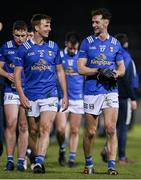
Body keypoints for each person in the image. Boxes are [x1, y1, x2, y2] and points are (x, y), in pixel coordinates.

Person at [14, 14, 68, 174]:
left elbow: (59, 71)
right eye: (46, 25)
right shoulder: (24, 49)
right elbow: (17, 74)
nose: (49, 28)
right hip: (30, 96)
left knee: (45, 128)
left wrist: (65, 94)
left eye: (50, 25)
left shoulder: (53, 46)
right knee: (33, 131)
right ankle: (33, 155)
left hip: (50, 94)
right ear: (37, 28)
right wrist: (22, 96)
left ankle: (39, 162)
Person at [78, 8, 125, 175]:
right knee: (90, 132)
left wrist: (116, 74)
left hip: (110, 90)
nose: (94, 25)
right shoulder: (87, 42)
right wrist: (98, 70)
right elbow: (81, 68)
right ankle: (89, 163)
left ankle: (111, 165)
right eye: (92, 22)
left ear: (106, 22)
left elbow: (122, 67)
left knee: (111, 129)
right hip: (91, 90)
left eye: (96, 22)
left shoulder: (115, 44)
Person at [0, 20, 28, 171]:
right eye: (17, 35)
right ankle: (10, 159)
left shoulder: (30, 47)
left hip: (26, 91)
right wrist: (7, 74)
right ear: (13, 34)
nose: (20, 38)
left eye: (23, 35)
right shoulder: (6, 47)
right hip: (10, 90)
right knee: (11, 123)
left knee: (23, 126)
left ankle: (21, 160)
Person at [55, 32, 84, 167]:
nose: (72, 50)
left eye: (74, 48)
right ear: (66, 44)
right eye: (70, 47)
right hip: (62, 98)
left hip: (78, 98)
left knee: (74, 130)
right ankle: (62, 149)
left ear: (77, 45)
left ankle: (72, 158)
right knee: (60, 129)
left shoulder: (82, 57)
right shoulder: (59, 55)